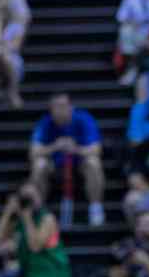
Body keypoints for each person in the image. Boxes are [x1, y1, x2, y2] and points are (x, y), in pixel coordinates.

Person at [0, 181, 75, 277]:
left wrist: (27, 219)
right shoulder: (20, 221)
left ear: (40, 197)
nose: (29, 201)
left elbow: (35, 246)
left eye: (32, 196)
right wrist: (8, 211)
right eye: (25, 197)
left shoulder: (47, 219)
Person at [29, 93, 106, 226]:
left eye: (63, 106)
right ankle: (38, 210)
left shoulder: (84, 119)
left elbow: (96, 149)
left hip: (79, 164)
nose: (60, 110)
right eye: (56, 107)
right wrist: (55, 146)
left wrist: (75, 149)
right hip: (55, 166)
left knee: (93, 162)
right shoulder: (45, 122)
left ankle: (95, 207)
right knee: (39, 165)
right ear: (50, 109)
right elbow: (33, 152)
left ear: (71, 107)